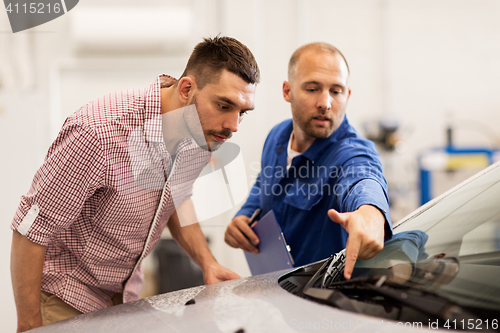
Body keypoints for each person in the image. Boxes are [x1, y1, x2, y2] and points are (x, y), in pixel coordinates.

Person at [11, 36, 260, 332]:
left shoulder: (201, 134)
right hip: (63, 298)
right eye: (224, 105)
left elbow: (177, 199)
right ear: (186, 89)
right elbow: (31, 230)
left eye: (242, 112)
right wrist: (28, 325)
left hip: (125, 302)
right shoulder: (99, 133)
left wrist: (208, 263)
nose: (233, 126)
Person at [224, 42, 392, 280]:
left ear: (348, 95)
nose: (325, 103)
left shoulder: (351, 153)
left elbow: (363, 178)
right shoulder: (277, 137)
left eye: (336, 91)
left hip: (326, 304)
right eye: (313, 89)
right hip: (275, 291)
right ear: (287, 91)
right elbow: (264, 182)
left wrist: (370, 212)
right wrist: (245, 215)